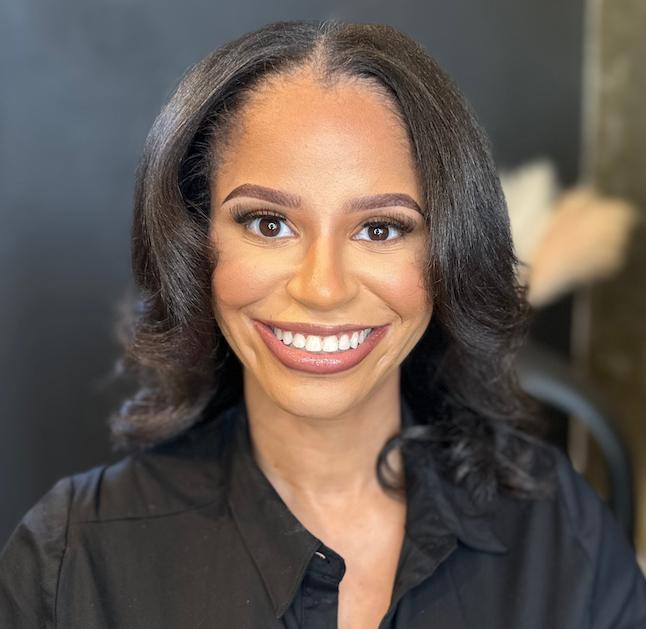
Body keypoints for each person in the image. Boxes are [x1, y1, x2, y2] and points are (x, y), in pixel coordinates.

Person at [1, 19, 645, 629]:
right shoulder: (70, 563)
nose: (323, 288)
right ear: (195, 242)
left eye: (380, 229)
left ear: (451, 253)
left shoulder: (561, 532)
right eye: (268, 224)